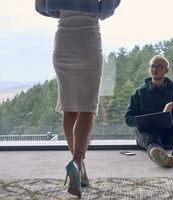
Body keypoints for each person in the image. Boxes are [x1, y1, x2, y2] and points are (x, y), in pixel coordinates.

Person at [35, 0, 120, 197]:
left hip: (63, 42)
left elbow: (40, 6)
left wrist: (64, 10)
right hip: (88, 43)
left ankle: (79, 168)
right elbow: (106, 10)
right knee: (87, 108)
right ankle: (77, 162)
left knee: (69, 107)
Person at [125, 55, 173, 168]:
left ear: (166, 70)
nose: (155, 70)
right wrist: (145, 121)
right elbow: (128, 119)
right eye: (153, 66)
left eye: (159, 67)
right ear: (149, 69)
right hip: (148, 134)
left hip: (171, 133)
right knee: (145, 134)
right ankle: (159, 154)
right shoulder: (138, 93)